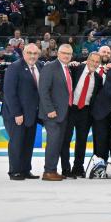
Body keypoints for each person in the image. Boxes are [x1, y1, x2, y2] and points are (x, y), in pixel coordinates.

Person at [1, 43, 42, 180]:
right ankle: (15, 171)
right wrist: (17, 113)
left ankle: (25, 170)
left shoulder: (40, 66)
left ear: (39, 54)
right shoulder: (15, 67)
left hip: (31, 114)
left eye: (35, 53)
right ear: (24, 53)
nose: (32, 56)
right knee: (17, 143)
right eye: (29, 53)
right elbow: (9, 93)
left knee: (28, 143)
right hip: (15, 115)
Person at [60, 51, 103, 178]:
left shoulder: (98, 78)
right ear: (87, 60)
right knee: (66, 140)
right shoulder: (75, 69)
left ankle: (78, 168)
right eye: (92, 61)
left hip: (85, 111)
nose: (94, 64)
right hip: (71, 109)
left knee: (82, 141)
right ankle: (65, 169)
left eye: (97, 62)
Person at [38, 44, 75, 181]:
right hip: (52, 113)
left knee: (58, 142)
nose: (66, 55)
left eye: (69, 54)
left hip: (63, 113)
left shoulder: (67, 68)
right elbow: (43, 90)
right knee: (53, 142)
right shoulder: (50, 67)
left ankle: (52, 169)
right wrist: (50, 110)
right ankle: (48, 171)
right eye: (64, 53)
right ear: (58, 53)